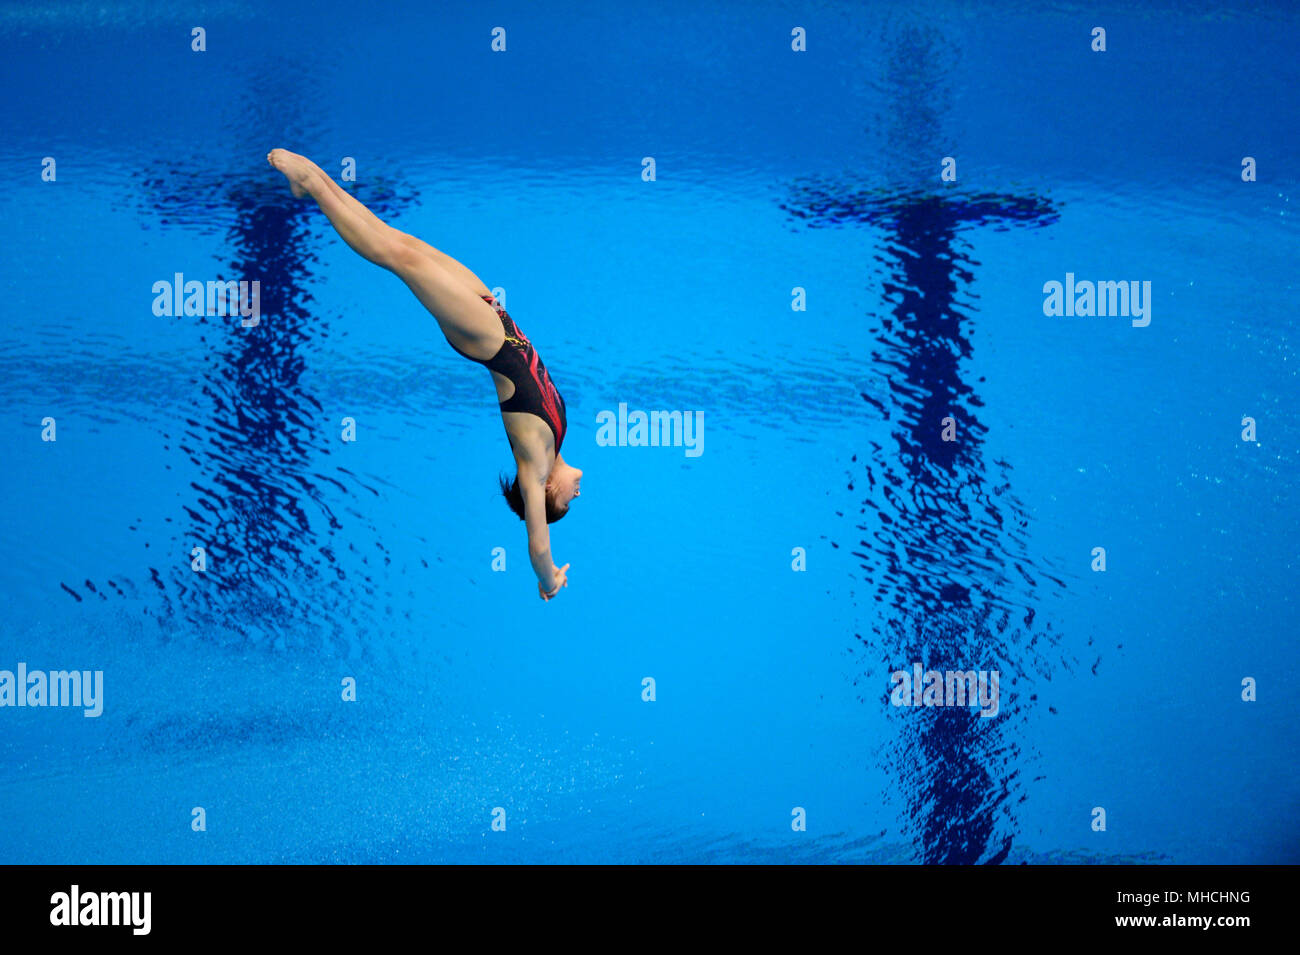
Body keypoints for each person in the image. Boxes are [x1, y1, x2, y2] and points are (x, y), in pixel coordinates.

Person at [267, 149, 580, 601]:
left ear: (547, 491)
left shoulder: (534, 466)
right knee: (402, 244)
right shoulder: (559, 439)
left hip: (484, 337)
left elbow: (536, 546)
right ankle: (311, 184)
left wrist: (548, 577)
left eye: (567, 504)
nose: (575, 496)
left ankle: (313, 182)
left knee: (399, 258)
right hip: (494, 315)